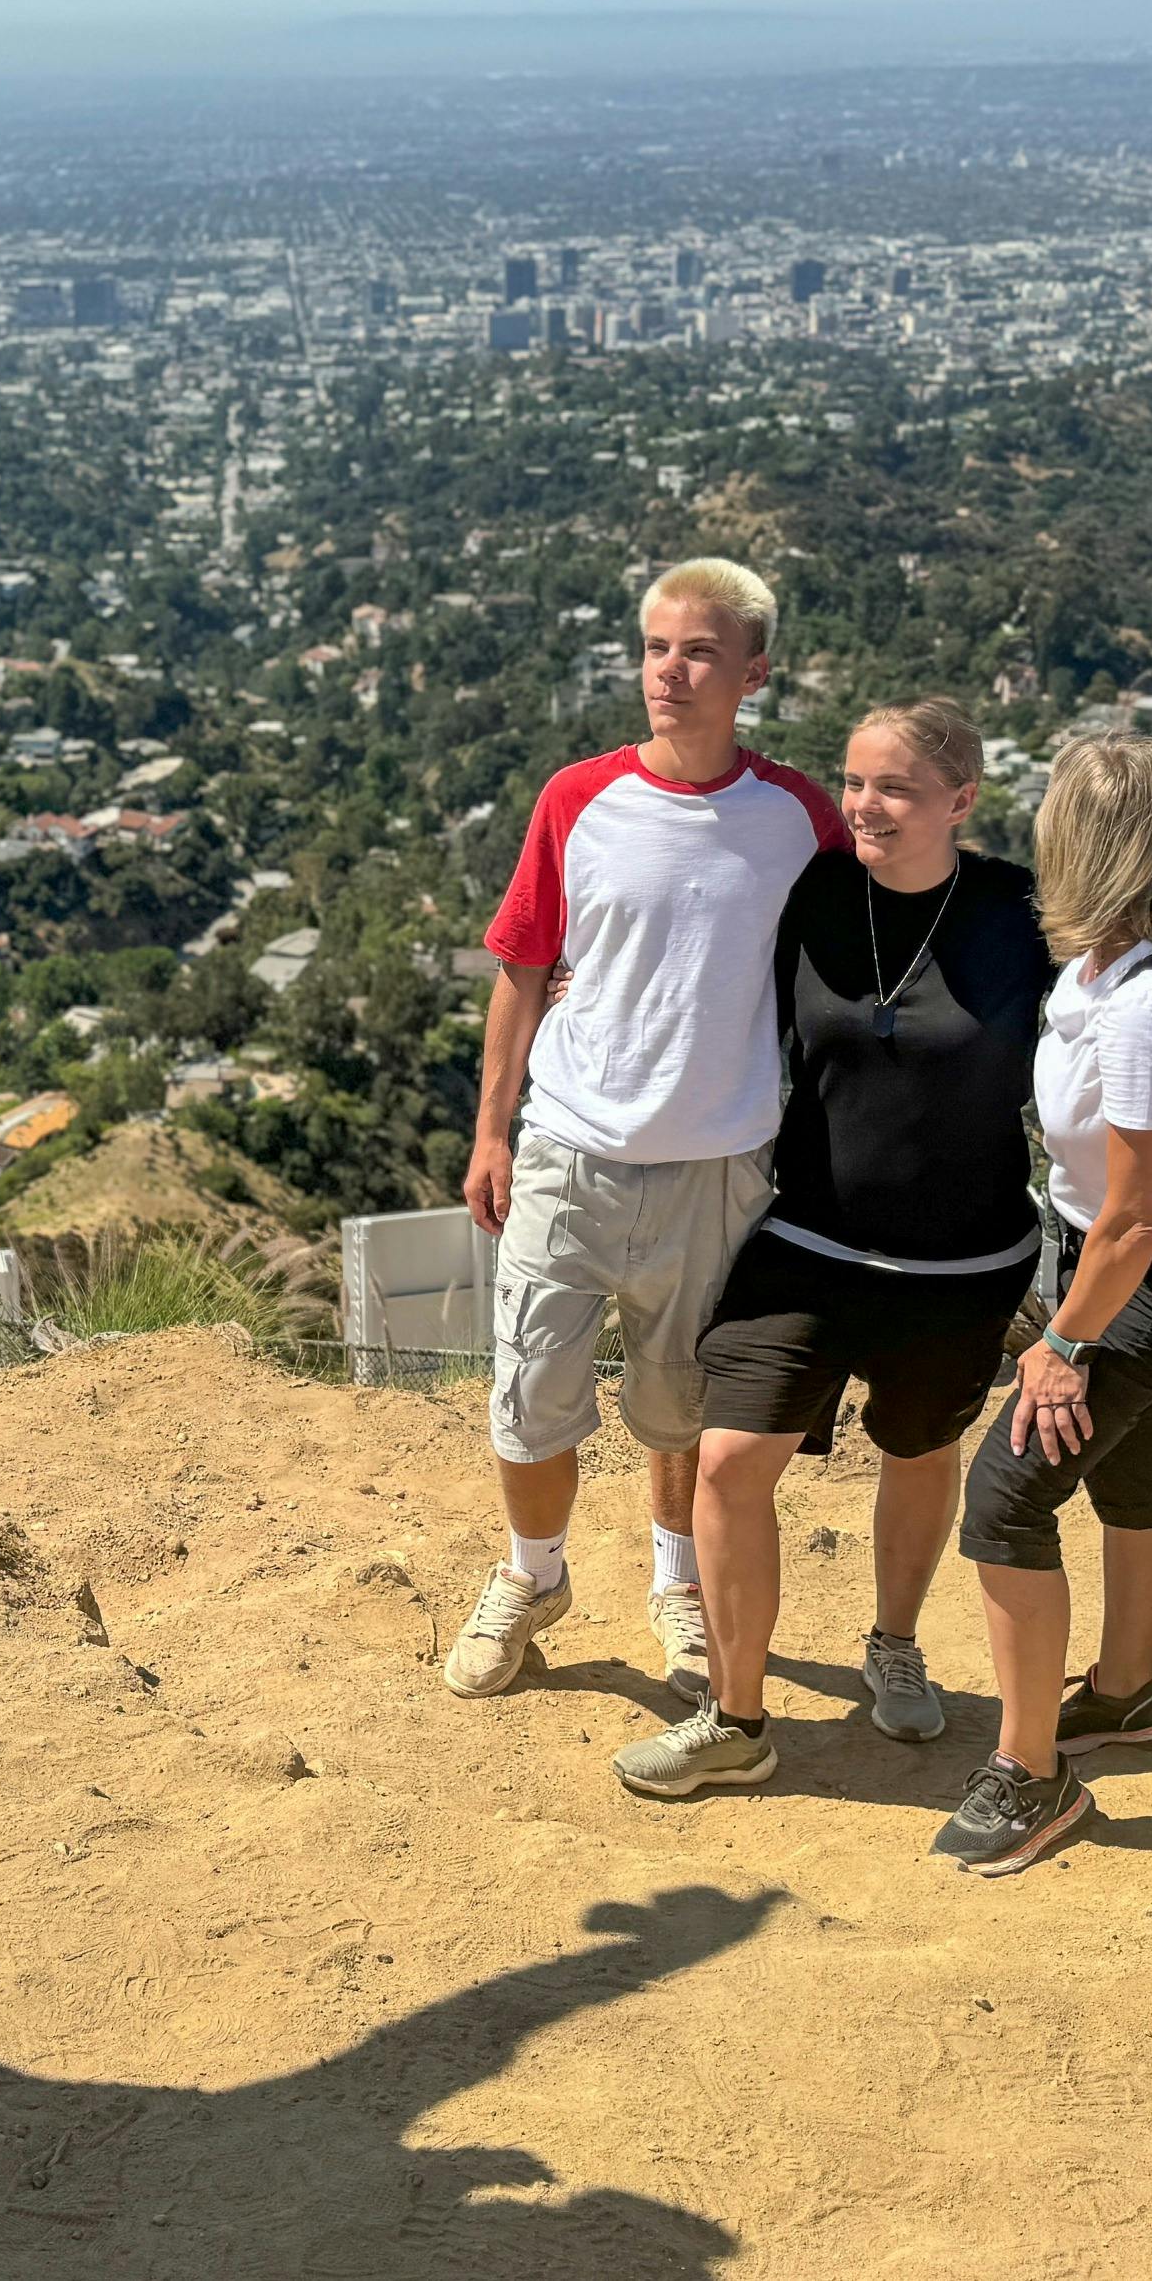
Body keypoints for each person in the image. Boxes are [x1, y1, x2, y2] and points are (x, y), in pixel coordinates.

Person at [608, 698, 1042, 1795]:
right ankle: (737, 1717)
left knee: (916, 1452)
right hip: (809, 1236)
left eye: (894, 788)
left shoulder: (1016, 914)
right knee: (727, 1460)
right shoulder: (810, 896)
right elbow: (698, 974)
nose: (864, 806)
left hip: (961, 1263)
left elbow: (1130, 981)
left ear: (961, 799)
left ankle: (893, 1645)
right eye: (853, 783)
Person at [447, 560, 845, 1706]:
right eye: (657, 648)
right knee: (528, 1395)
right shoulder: (576, 799)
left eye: (700, 651)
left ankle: (676, 1585)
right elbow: (521, 974)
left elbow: (838, 973)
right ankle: (533, 1577)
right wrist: (491, 1135)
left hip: (719, 1165)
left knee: (681, 1405)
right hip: (570, 1147)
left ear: (752, 673)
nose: (670, 672)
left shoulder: (797, 819)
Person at [926, 733, 1152, 1873]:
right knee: (1130, 1464)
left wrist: (1062, 1345)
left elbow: (1132, 1213)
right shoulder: (1110, 976)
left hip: (1150, 1280)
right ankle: (1127, 1696)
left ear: (1090, 849)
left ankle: (1032, 1778)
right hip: (1112, 1264)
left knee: (1007, 1495)